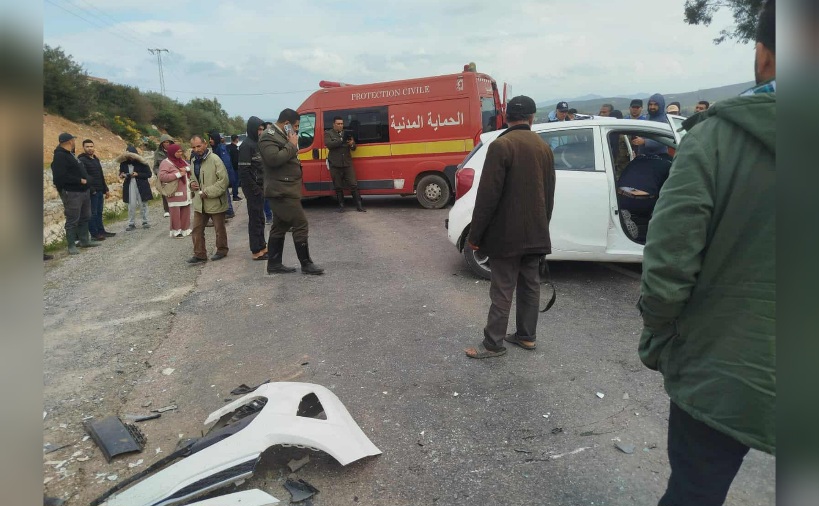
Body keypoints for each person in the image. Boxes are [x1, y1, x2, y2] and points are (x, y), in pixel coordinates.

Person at [638, 1, 775, 504]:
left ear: (763, 55)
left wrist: (660, 335)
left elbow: (669, 263)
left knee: (696, 489)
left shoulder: (716, 138)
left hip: (725, 368)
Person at [464, 95, 555, 359]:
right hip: (536, 233)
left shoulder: (501, 145)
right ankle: (527, 337)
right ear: (531, 118)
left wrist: (475, 235)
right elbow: (549, 195)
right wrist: (543, 228)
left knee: (503, 288)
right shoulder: (544, 147)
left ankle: (493, 344)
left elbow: (487, 196)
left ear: (506, 118)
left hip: (506, 236)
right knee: (530, 286)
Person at [259, 108, 324, 275]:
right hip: (281, 191)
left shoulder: (280, 135)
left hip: (286, 188)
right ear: (286, 124)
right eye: (295, 126)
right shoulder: (268, 136)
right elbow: (273, 160)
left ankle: (274, 264)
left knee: (280, 226)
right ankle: (306, 264)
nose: (296, 130)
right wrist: (291, 145)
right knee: (300, 224)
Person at [50, 132, 99, 254]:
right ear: (70, 141)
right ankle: (71, 245)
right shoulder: (60, 156)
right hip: (71, 192)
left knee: (85, 216)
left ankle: (84, 241)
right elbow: (60, 177)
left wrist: (87, 181)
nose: (74, 142)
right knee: (72, 219)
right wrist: (80, 180)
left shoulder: (70, 154)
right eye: (73, 140)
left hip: (83, 191)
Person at [188, 135, 230, 263]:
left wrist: (207, 192)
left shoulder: (215, 159)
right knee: (196, 229)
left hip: (215, 201)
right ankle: (200, 254)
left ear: (205, 144)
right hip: (200, 202)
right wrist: (191, 184)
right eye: (194, 147)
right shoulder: (193, 160)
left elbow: (224, 181)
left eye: (198, 146)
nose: (196, 149)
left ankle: (222, 250)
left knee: (219, 229)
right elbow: (193, 178)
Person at [238, 116, 269, 260]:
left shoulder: (257, 144)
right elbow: (244, 172)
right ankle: (256, 250)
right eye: (258, 129)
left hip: (260, 187)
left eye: (262, 129)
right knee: (255, 219)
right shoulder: (246, 146)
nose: (260, 132)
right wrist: (255, 189)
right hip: (253, 189)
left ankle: (262, 246)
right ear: (252, 129)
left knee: (260, 218)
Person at [77, 138, 115, 240]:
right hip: (91, 191)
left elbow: (100, 175)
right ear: (83, 148)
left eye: (91, 146)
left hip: (99, 190)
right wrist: (92, 189)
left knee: (99, 212)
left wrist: (105, 188)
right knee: (92, 213)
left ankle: (101, 231)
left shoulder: (95, 159)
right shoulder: (81, 160)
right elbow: (83, 176)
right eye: (87, 147)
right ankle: (94, 234)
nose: (90, 148)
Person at [325, 116, 365, 212]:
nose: (340, 125)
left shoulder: (347, 133)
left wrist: (351, 143)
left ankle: (359, 206)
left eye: (342, 124)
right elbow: (329, 144)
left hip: (347, 163)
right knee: (338, 187)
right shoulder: (328, 133)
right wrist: (341, 140)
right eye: (338, 124)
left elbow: (354, 148)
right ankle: (341, 206)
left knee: (353, 185)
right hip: (335, 164)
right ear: (334, 124)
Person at [158, 144, 193, 238]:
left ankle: (185, 229)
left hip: (185, 191)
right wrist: (178, 174)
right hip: (174, 192)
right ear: (172, 152)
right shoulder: (166, 163)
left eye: (181, 151)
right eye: (177, 152)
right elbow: (162, 176)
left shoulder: (181, 161)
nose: (180, 153)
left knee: (186, 210)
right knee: (175, 212)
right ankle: (176, 231)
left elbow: (190, 167)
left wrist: (185, 168)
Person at [116, 145, 153, 231]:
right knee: (131, 205)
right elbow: (121, 173)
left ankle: (145, 221)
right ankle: (131, 223)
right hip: (129, 185)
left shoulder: (142, 163)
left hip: (141, 185)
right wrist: (122, 175)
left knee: (143, 204)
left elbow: (149, 174)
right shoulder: (123, 163)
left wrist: (138, 174)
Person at [208, 131, 236, 219]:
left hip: (224, 175)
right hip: (220, 174)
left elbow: (226, 163)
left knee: (225, 192)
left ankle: (229, 211)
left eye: (211, 139)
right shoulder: (216, 148)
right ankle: (227, 210)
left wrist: (224, 177)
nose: (210, 141)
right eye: (209, 139)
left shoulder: (221, 148)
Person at [153, 133, 174, 217]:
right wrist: (159, 173)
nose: (167, 144)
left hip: (173, 174)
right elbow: (155, 166)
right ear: (162, 143)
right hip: (163, 175)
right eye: (164, 142)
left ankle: (175, 207)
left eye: (168, 142)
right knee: (164, 192)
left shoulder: (174, 150)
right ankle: (166, 210)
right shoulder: (157, 153)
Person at [228, 134, 243, 202]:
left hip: (229, 167)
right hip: (235, 168)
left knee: (233, 182)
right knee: (235, 182)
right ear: (237, 139)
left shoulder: (228, 147)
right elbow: (237, 160)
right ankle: (235, 195)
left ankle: (234, 193)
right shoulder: (236, 149)